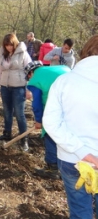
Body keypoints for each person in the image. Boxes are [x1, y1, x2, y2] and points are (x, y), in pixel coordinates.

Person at [43, 35, 98, 218]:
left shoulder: (64, 82)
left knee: (80, 212)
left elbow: (51, 122)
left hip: (72, 158)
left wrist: (82, 151)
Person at [24, 60, 70, 179]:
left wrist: (39, 120)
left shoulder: (36, 79)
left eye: (28, 76)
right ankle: (68, 166)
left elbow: (37, 103)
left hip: (58, 108)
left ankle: (52, 168)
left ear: (30, 73)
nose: (29, 79)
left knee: (50, 134)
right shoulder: (61, 68)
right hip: (73, 106)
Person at [0, 33, 32, 151]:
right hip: (5, 87)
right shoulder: (2, 55)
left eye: (10, 45)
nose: (9, 47)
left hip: (19, 88)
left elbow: (30, 73)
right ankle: (7, 133)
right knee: (7, 112)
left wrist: (28, 89)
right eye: (6, 45)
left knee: (19, 114)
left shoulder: (23, 54)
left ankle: (24, 139)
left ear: (15, 43)